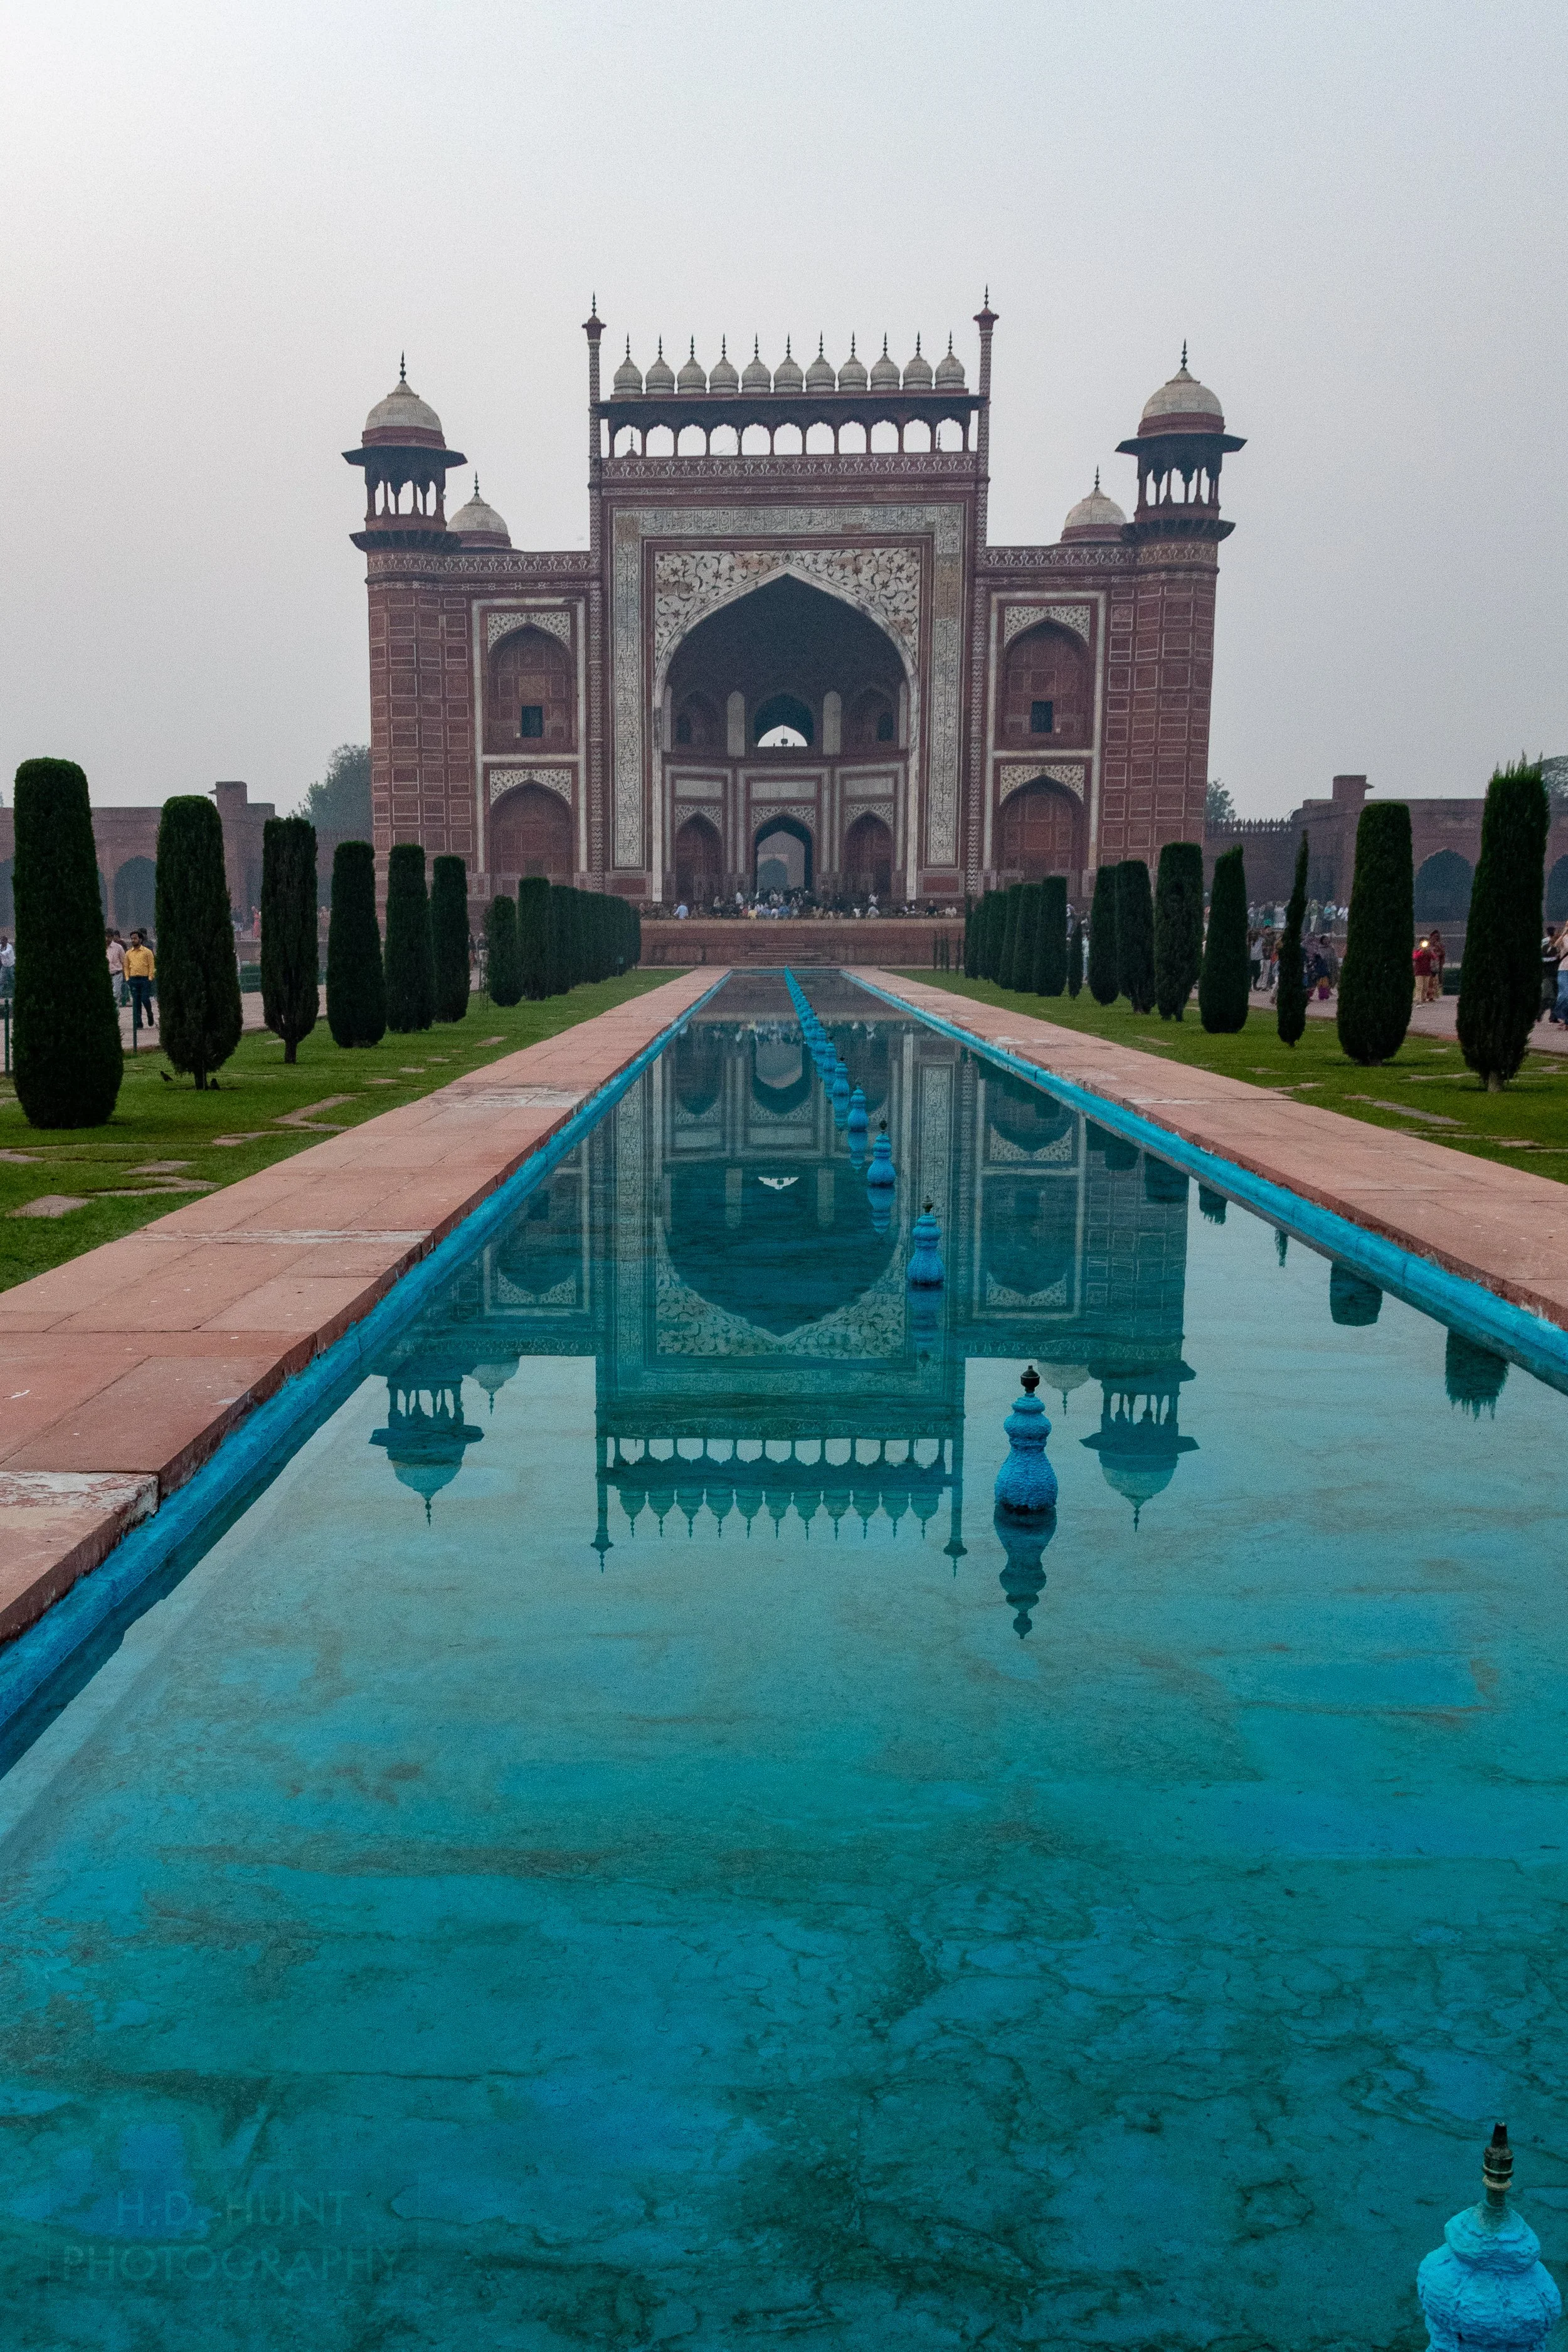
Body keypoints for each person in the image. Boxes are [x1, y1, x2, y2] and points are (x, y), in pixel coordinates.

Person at [124, 930, 156, 1029]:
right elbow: (126, 967)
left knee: (145, 999)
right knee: (136, 1002)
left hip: (145, 979)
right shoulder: (129, 953)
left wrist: (150, 977)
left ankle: (149, 1013)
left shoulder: (147, 952)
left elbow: (151, 966)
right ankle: (139, 1022)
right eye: (132, 939)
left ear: (140, 940)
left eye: (135, 938)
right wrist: (127, 978)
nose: (133, 940)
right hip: (133, 980)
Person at [105, 928, 127, 1005]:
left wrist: (125, 975)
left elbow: (124, 962)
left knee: (115, 996)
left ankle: (115, 1013)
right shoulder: (100, 947)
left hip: (117, 975)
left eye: (110, 937)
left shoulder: (118, 948)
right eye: (107, 937)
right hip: (105, 976)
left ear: (113, 937)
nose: (108, 939)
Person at [1427, 928, 1446, 1001]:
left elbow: (1443, 954)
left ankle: (1432, 996)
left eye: (1437, 937)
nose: (1436, 938)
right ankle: (1427, 995)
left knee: (1435, 981)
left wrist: (1438, 947)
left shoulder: (1440, 945)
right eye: (1435, 936)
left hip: (1436, 965)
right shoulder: (1428, 944)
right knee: (1429, 981)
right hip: (1428, 964)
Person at [1413, 937, 1433, 1004]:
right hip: (1419, 971)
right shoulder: (1417, 950)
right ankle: (1418, 999)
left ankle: (1424, 998)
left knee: (1425, 987)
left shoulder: (1429, 951)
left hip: (1427, 971)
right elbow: (1415, 957)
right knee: (1419, 986)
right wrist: (1421, 951)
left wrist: (1430, 951)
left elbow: (1434, 957)